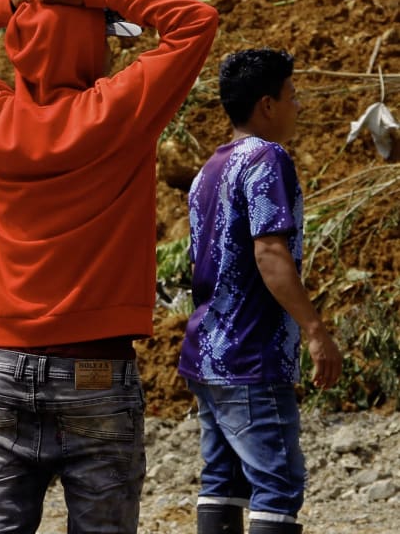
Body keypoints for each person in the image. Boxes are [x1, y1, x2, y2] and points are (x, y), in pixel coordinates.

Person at [0, 0, 218, 533]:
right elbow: (194, 21)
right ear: (92, 43)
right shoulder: (116, 112)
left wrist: (8, 0)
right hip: (96, 372)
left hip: (6, 369)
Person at [179, 48, 344, 534]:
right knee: (277, 484)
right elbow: (269, 252)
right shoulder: (267, 159)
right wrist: (315, 330)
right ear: (267, 105)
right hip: (252, 356)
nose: (299, 107)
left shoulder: (209, 170)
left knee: (222, 481)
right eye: (293, 97)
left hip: (207, 354)